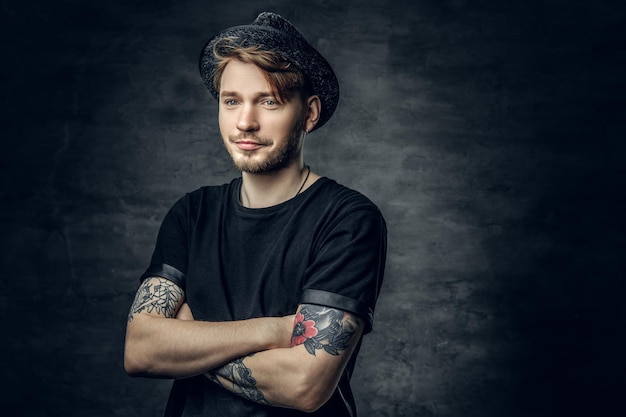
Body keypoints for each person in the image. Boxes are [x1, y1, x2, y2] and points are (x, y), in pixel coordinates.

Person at [124, 11, 387, 417]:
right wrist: (275, 330)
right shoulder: (191, 214)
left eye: (269, 101)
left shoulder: (348, 220)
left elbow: (305, 385)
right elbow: (140, 350)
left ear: (309, 113)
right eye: (232, 101)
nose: (245, 122)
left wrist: (185, 342)